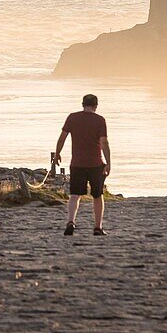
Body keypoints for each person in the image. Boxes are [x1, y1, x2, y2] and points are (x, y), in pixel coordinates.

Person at [54, 93, 110, 236]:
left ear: (83, 104)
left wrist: (57, 154)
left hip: (77, 163)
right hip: (95, 163)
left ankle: (71, 221)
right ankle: (97, 227)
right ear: (96, 106)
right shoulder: (100, 120)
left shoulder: (72, 117)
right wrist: (108, 162)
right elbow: (104, 142)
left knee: (74, 195)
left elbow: (62, 138)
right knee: (97, 196)